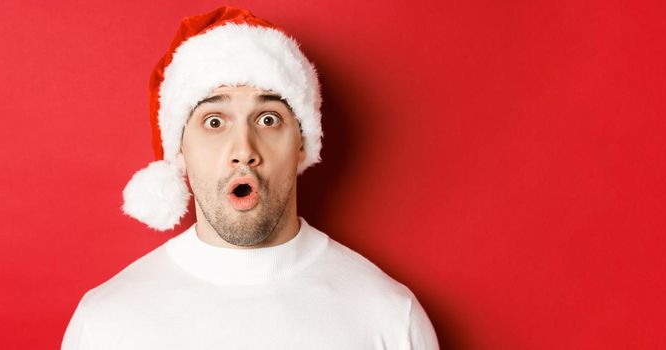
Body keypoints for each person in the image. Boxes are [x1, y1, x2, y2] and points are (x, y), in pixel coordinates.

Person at [61, 6, 439, 349]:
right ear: (180, 151)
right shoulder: (106, 323)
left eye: (268, 119)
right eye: (214, 122)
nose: (243, 149)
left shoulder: (390, 318)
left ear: (303, 145)